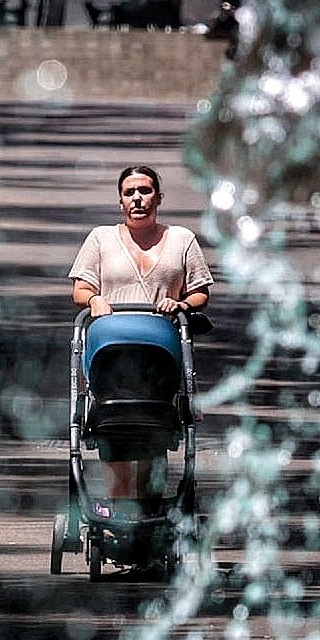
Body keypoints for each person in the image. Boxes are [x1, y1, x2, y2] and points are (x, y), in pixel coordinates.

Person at [69, 165, 213, 507]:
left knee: (155, 428)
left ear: (159, 198)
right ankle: (119, 507)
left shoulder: (181, 239)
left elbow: (200, 293)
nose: (138, 199)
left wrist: (179, 303)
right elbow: (80, 288)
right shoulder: (101, 238)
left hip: (159, 353)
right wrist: (94, 299)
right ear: (120, 201)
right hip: (111, 352)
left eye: (145, 191)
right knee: (113, 426)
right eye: (130, 192)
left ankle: (148, 510)